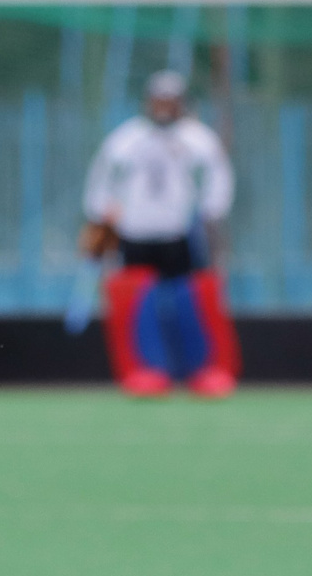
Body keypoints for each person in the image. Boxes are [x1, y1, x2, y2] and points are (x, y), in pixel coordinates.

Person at [79, 70, 239, 397]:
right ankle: (145, 370)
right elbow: (102, 183)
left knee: (191, 299)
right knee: (137, 301)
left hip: (180, 233)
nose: (164, 106)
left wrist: (211, 215)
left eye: (171, 100)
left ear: (182, 102)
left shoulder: (198, 139)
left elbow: (218, 179)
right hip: (134, 232)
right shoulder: (126, 139)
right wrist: (100, 223)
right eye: (158, 100)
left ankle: (205, 369)